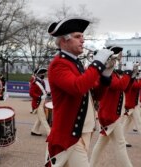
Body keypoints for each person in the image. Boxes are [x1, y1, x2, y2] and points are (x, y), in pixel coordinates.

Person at [45, 17, 114, 167]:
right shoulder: (59, 64)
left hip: (83, 131)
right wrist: (97, 64)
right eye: (77, 37)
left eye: (82, 37)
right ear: (64, 40)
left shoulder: (76, 64)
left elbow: (96, 96)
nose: (82, 41)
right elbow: (78, 87)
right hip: (70, 135)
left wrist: (106, 76)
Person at [90, 46, 133, 167]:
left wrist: (132, 75)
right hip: (110, 114)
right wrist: (128, 72)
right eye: (116, 55)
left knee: (101, 144)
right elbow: (120, 85)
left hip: (112, 113)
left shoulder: (112, 72)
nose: (119, 58)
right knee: (120, 144)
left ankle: (90, 165)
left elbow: (126, 88)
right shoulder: (106, 73)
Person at [29, 67, 51, 136]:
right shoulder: (35, 82)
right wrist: (39, 97)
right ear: (38, 74)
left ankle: (34, 130)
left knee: (40, 118)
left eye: (44, 73)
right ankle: (50, 133)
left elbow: (42, 91)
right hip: (38, 103)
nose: (43, 74)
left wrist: (47, 93)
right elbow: (31, 93)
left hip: (42, 101)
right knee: (44, 119)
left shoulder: (42, 81)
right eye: (42, 73)